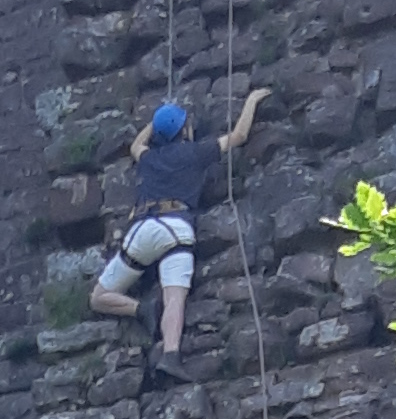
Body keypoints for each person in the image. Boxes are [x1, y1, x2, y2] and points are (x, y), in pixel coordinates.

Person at [88, 86, 270, 378]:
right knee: (175, 298)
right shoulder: (195, 153)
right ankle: (170, 355)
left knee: (99, 297)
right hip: (177, 230)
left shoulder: (149, 158)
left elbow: (136, 144)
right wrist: (252, 100)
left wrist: (157, 121)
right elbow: (239, 136)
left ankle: (142, 309)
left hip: (145, 227)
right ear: (185, 129)